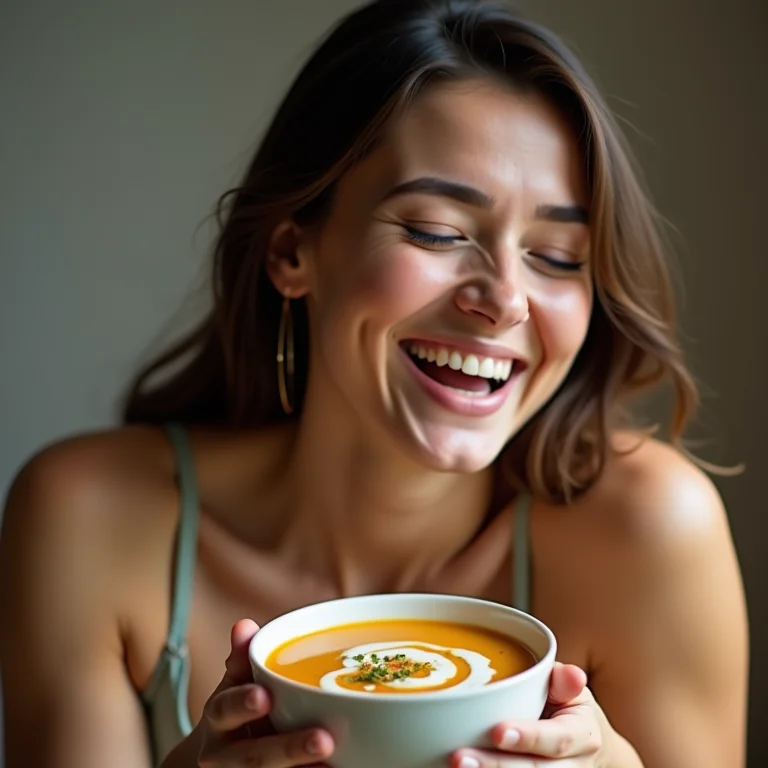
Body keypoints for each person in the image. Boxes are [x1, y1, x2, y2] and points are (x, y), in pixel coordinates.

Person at [0, 0, 748, 766]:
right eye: (437, 232)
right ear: (292, 252)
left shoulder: (650, 534)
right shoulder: (86, 518)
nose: (506, 300)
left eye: (557, 257)